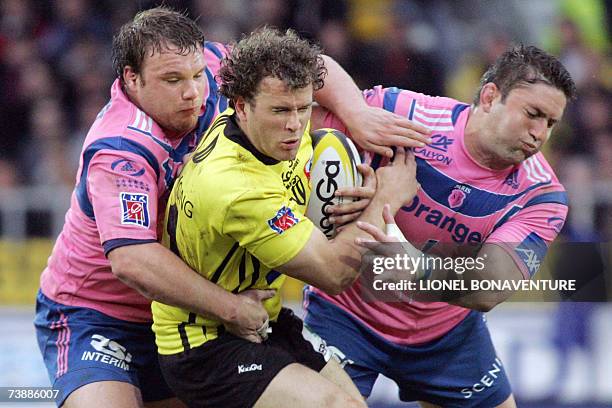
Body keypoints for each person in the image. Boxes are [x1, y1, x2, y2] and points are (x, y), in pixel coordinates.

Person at [33, 7, 431, 408]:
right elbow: (133, 261)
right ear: (131, 79)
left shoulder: (209, 65)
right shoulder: (123, 151)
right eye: (172, 81)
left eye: (193, 75)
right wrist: (231, 308)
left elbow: (303, 67)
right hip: (101, 314)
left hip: (191, 314)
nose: (192, 91)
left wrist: (356, 113)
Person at [151, 27, 420, 408]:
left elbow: (318, 80)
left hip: (263, 319)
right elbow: (333, 274)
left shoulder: (255, 125)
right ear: (241, 106)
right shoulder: (237, 187)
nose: (295, 125)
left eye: (303, 109)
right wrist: (386, 201)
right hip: (205, 345)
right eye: (280, 111)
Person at [303, 45, 577, 408]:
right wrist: (354, 114)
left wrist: (412, 266)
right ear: (490, 96)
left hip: (445, 337)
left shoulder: (542, 195)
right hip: (346, 315)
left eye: (551, 123)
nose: (540, 133)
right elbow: (301, 83)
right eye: (533, 114)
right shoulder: (405, 115)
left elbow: (489, 288)